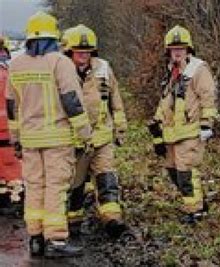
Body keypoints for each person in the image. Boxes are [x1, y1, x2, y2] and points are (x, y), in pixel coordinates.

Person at [6, 11, 92, 257]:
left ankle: (35, 238)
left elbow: (12, 105)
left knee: (34, 186)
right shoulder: (59, 62)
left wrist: (16, 139)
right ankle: (55, 241)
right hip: (56, 138)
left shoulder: (16, 64)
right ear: (53, 36)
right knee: (55, 187)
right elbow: (72, 101)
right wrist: (85, 134)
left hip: (30, 139)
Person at [149, 25, 219, 224]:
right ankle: (198, 203)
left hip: (190, 131)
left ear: (188, 49)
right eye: (173, 48)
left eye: (181, 48)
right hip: (172, 132)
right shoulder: (172, 72)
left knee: (186, 171)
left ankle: (195, 211)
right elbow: (166, 101)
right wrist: (156, 122)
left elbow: (208, 96)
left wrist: (207, 123)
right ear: (168, 51)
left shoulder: (198, 69)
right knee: (172, 170)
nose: (177, 52)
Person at [63, 24, 128, 237]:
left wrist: (120, 128)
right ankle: (73, 222)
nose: (83, 55)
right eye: (79, 51)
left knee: (106, 177)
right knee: (75, 186)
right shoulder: (61, 72)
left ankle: (112, 220)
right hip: (73, 141)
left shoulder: (103, 69)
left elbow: (115, 101)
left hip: (101, 137)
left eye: (87, 51)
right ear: (69, 51)